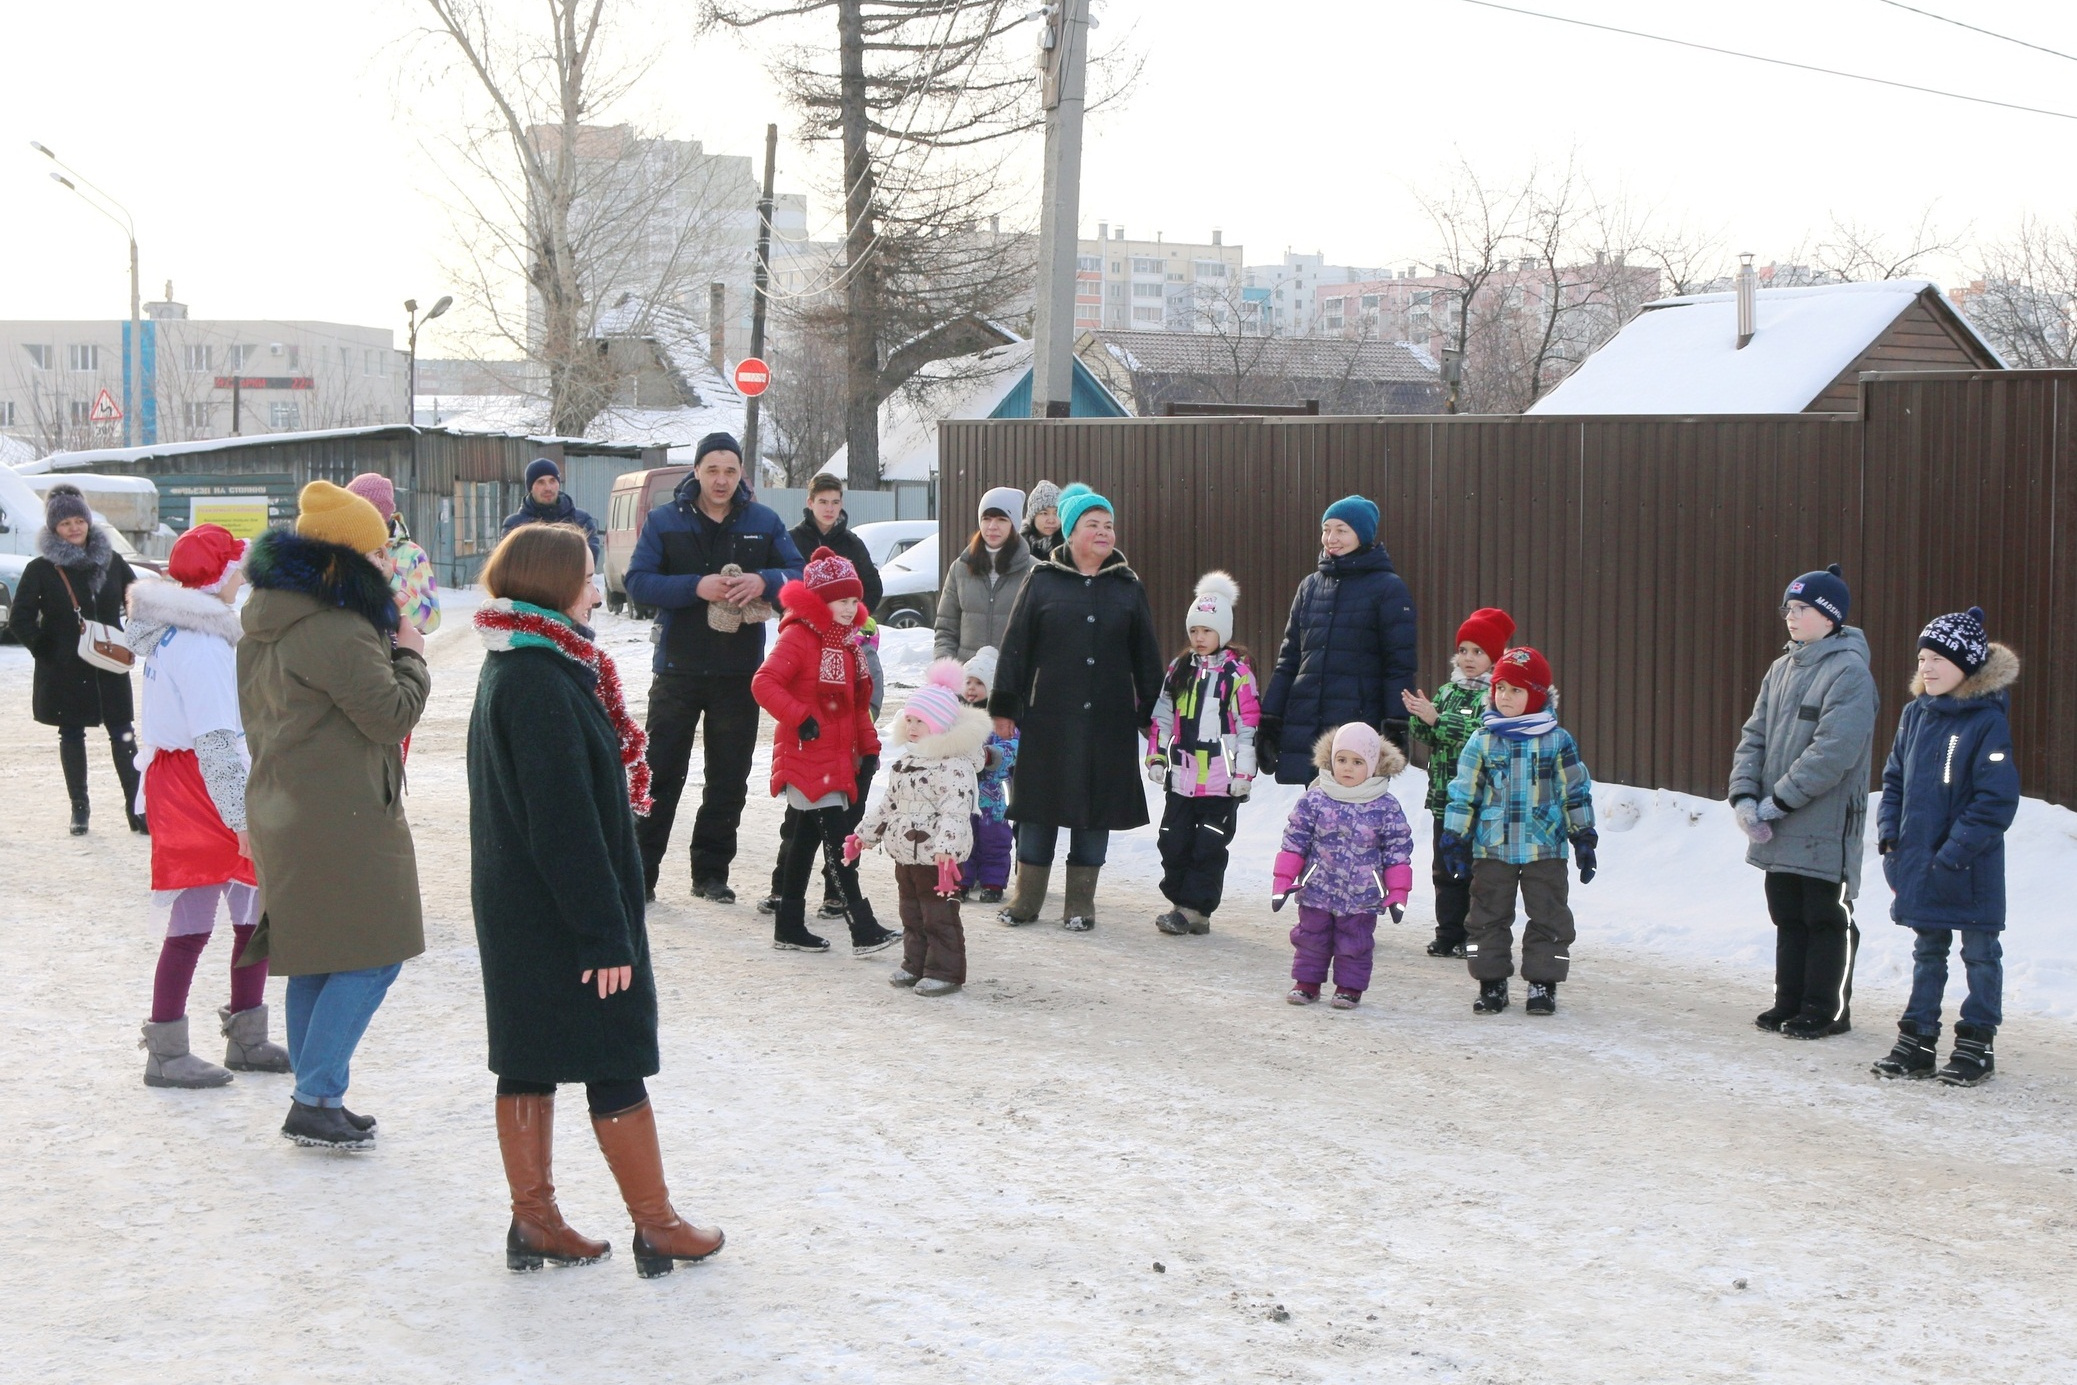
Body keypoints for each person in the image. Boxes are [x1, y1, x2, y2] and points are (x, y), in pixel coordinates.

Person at [469, 522, 723, 1277]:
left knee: (530, 1056)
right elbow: (564, 821)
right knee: (611, 1054)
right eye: (584, 574)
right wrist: (603, 933)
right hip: (560, 914)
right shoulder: (539, 680)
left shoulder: (521, 663)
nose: (593, 587)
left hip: (524, 907)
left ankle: (535, 1221)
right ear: (550, 583)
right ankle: (655, 1225)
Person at [239, 481, 431, 1149]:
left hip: (287, 803)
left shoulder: (271, 612)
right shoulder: (336, 625)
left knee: (318, 954)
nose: (386, 562)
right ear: (347, 557)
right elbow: (390, 713)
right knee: (378, 950)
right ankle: (315, 1092)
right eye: (376, 553)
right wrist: (410, 652)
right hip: (338, 810)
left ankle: (318, 1093)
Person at [126, 524, 288, 1090]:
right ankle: (167, 1047)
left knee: (252, 910)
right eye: (237, 569)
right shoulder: (199, 645)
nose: (243, 580)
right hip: (204, 788)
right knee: (196, 918)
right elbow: (217, 740)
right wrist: (242, 820)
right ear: (218, 574)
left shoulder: (187, 632)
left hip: (195, 780)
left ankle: (246, 1034)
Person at [625, 432, 803, 903]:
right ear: (697, 471)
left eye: (730, 470)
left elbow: (800, 575)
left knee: (728, 777)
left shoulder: (762, 521)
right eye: (712, 470)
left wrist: (762, 579)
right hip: (678, 670)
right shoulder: (664, 520)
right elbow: (638, 581)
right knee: (660, 774)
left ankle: (710, 874)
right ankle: (640, 876)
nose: (721, 480)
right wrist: (694, 587)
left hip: (738, 672)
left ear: (740, 474)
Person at [989, 483, 1163, 932]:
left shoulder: (1127, 586)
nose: (1104, 532)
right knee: (1038, 808)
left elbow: (1146, 654)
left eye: (1109, 525)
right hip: (1049, 714)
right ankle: (1026, 899)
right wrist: (1005, 706)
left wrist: (1153, 714)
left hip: (1108, 719)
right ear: (1071, 532)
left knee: (1095, 809)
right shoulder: (1042, 580)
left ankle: (1080, 904)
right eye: (1093, 524)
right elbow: (1016, 647)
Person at [1728, 565, 1880, 1041]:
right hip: (1778, 821)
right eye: (1788, 609)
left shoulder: (1850, 673)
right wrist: (1745, 796)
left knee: (1824, 916)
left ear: (1830, 616)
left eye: (1802, 609)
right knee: (1787, 913)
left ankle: (1825, 1008)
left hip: (1825, 823)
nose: (1791, 617)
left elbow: (1833, 752)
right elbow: (1754, 735)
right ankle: (1788, 1000)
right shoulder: (1781, 668)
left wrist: (1779, 801)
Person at [1871, 608, 2020, 1088]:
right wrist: (1891, 841)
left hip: (1968, 866)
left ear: (1967, 665)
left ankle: (1977, 1042)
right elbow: (1893, 781)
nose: (1927, 667)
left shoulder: (1987, 722)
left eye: (1938, 658)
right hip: (1916, 861)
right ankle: (1917, 1039)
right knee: (1927, 950)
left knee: (1980, 953)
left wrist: (1952, 854)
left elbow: (1995, 801)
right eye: (1922, 658)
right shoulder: (1916, 715)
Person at [749, 547, 898, 955]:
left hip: (837, 757)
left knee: (803, 841)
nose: (852, 608)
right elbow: (764, 683)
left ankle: (789, 927)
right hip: (807, 753)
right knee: (838, 842)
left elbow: (854, 705)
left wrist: (868, 747)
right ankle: (862, 928)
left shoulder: (845, 642)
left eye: (855, 600)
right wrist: (801, 716)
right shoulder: (799, 635)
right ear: (821, 600)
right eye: (843, 600)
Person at [1439, 646, 1598, 1017]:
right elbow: (1463, 792)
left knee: (1551, 917)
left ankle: (1544, 982)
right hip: (1492, 847)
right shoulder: (1482, 739)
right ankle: (1490, 982)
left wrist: (1583, 835)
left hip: (1546, 848)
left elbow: (1574, 789)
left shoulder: (1557, 740)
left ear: (1537, 695)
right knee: (1485, 917)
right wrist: (1455, 835)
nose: (1504, 697)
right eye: (1500, 688)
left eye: (1516, 690)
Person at [7, 482, 144, 835]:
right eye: (65, 523)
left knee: (123, 734)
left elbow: (137, 599)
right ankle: (79, 809)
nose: (73, 527)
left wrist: (135, 630)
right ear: (54, 528)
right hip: (65, 668)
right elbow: (20, 617)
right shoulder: (42, 568)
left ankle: (137, 808)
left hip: (110, 665)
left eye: (78, 521)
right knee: (71, 734)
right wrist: (45, 649)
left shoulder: (111, 561)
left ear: (88, 522)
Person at [850, 658, 991, 997]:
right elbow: (889, 804)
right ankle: (915, 964)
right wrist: (863, 834)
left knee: (937, 914)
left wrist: (947, 849)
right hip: (906, 853)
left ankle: (945, 970)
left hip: (937, 859)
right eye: (909, 720)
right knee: (911, 912)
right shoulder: (906, 762)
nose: (912, 726)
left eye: (921, 721)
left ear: (940, 725)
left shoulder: (954, 766)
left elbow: (956, 812)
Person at [1260, 494, 1419, 782]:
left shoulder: (1388, 589)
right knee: (1316, 817)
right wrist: (1270, 720)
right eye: (1326, 529)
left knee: (1355, 820)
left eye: (1342, 530)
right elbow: (1289, 660)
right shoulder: (1309, 587)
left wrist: (1396, 725)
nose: (1331, 538)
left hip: (1358, 726)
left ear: (1363, 535)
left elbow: (1399, 665)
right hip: (1309, 725)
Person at [1146, 572, 1260, 937]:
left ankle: (1195, 909)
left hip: (1220, 781)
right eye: (1194, 630)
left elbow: (1247, 727)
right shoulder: (1179, 670)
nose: (1199, 638)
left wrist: (1243, 775)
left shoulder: (1237, 675)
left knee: (1208, 845)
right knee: (1173, 839)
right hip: (1181, 777)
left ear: (1222, 632)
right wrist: (1156, 757)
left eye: (1207, 631)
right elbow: (1162, 715)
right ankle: (1180, 902)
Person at [1270, 722, 1414, 1009]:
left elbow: (1397, 850)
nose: (1347, 768)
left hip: (1362, 894)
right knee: (1311, 936)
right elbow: (1295, 840)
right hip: (1317, 888)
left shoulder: (1384, 806)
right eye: (1342, 760)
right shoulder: (1315, 799)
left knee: (1355, 942)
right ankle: (1307, 983)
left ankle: (1349, 987)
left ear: (1373, 765)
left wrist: (1398, 892)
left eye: (1357, 762)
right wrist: (1283, 879)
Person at [1403, 607, 1514, 959]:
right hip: (1445, 800)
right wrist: (1420, 717)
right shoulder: (1448, 690)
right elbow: (1430, 735)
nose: (1468, 658)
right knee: (1445, 870)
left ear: (1493, 657)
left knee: (1477, 874)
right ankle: (1447, 933)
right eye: (1464, 650)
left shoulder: (1498, 696)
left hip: (1480, 803)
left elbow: (1478, 735)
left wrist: (1438, 719)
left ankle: (1475, 936)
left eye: (1478, 652)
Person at [934, 486, 1035, 662]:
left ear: (1014, 524)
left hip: (1012, 681)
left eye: (1002, 519)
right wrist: (947, 672)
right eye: (986, 518)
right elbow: (946, 629)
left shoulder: (1034, 571)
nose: (992, 526)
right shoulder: (960, 568)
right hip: (967, 682)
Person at [345, 472, 442, 635]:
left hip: (392, 657)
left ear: (376, 512)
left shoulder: (411, 555)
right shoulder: (342, 550)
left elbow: (430, 621)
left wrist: (392, 581)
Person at [956, 645, 1016, 903]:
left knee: (995, 839)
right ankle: (962, 880)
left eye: (978, 683)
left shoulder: (998, 720)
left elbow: (1011, 747)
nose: (971, 688)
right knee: (961, 835)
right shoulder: (955, 716)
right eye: (967, 681)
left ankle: (993, 881)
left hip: (992, 793)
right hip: (961, 792)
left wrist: (990, 756)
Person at [789, 472, 883, 617]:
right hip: (800, 627)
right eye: (823, 502)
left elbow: (873, 587)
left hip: (841, 632)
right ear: (810, 503)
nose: (829, 509)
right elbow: (779, 586)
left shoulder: (852, 544)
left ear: (841, 504)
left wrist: (852, 617)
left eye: (835, 502)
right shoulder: (792, 540)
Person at [503, 457, 601, 561]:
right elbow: (512, 564)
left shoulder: (581, 520)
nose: (548, 488)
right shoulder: (515, 525)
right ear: (530, 487)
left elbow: (589, 558)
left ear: (558, 484)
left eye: (552, 481)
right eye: (540, 482)